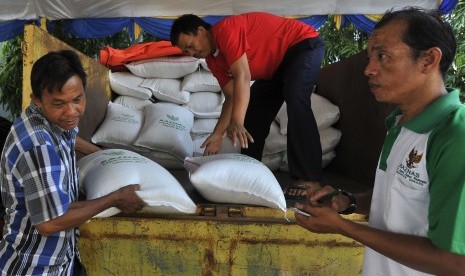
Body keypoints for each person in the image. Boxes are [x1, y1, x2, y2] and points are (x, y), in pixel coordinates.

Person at [294, 7, 465, 275]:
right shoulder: (399, 123)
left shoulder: (454, 136)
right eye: (370, 57)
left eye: (383, 56)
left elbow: (455, 261)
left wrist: (344, 227)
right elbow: (398, 196)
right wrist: (347, 201)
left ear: (428, 60)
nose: (369, 70)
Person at [0, 50, 146, 275]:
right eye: (59, 103)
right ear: (37, 100)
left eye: (78, 99)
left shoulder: (52, 120)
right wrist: (114, 199)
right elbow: (50, 222)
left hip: (63, 259)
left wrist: (104, 155)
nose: (71, 112)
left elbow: (70, 138)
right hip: (36, 266)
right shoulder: (38, 145)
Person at [170, 12, 326, 198]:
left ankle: (309, 179)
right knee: (254, 113)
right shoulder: (213, 61)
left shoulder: (225, 30)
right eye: (187, 51)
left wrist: (237, 121)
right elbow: (232, 95)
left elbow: (243, 76)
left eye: (190, 46)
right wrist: (218, 133)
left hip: (302, 46)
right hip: (276, 68)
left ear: (201, 31)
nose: (192, 54)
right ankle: (250, 174)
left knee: (296, 98)